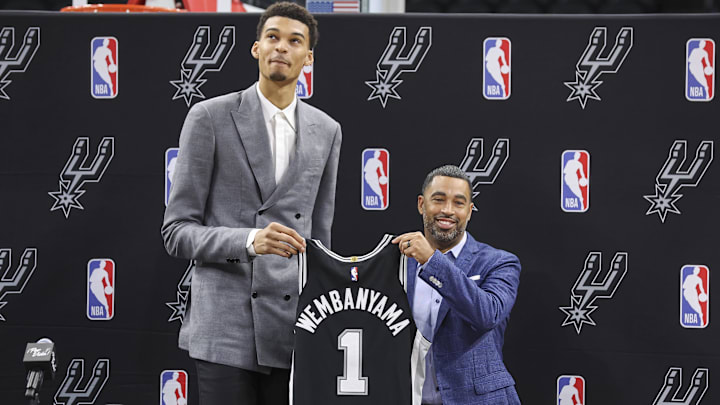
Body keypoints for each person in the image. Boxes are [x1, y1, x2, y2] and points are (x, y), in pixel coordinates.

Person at [161, 3, 342, 404]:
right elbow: (176, 233)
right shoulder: (209, 117)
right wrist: (250, 240)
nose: (282, 47)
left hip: (293, 327)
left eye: (295, 41)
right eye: (272, 37)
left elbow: (321, 246)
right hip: (224, 327)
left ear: (307, 57)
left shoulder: (327, 131)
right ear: (256, 48)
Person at [392, 165, 521, 404]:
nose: (447, 211)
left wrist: (432, 260)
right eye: (438, 200)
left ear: (470, 211)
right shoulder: (396, 263)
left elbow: (487, 314)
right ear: (422, 204)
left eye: (458, 203)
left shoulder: (499, 262)